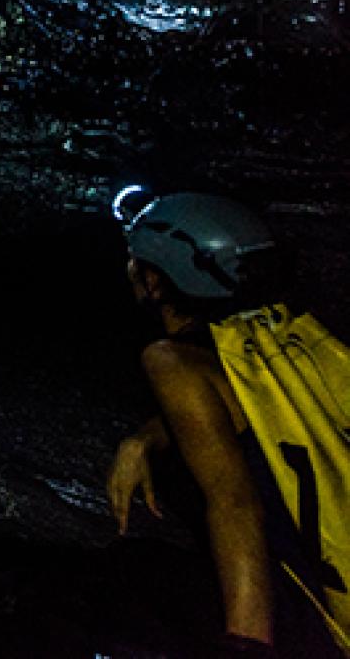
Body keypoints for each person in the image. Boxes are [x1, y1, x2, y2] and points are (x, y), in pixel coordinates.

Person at [107, 192, 348, 656]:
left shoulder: (170, 361)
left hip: (309, 599)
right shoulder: (280, 335)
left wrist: (246, 645)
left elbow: (235, 506)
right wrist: (149, 434)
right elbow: (237, 403)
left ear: (156, 281)